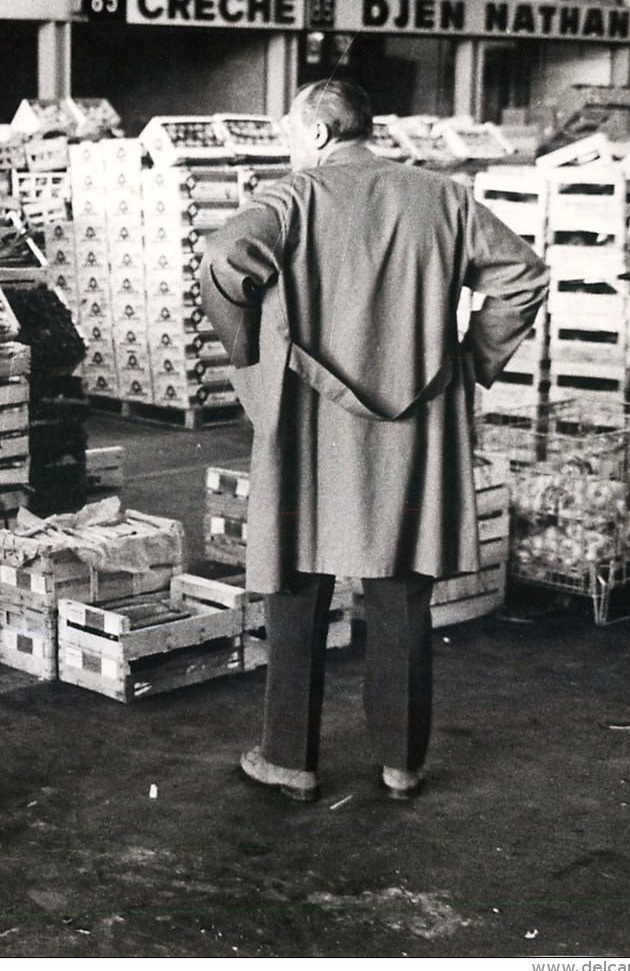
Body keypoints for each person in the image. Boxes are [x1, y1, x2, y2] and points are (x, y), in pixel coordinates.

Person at [198, 80, 549, 803]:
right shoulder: (444, 198)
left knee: (294, 593)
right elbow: (522, 277)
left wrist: (250, 360)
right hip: (412, 435)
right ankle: (400, 763)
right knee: (401, 601)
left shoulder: (290, 200)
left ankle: (288, 759)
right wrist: (469, 360)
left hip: (308, 433)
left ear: (319, 134)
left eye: (295, 132)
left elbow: (222, 262)